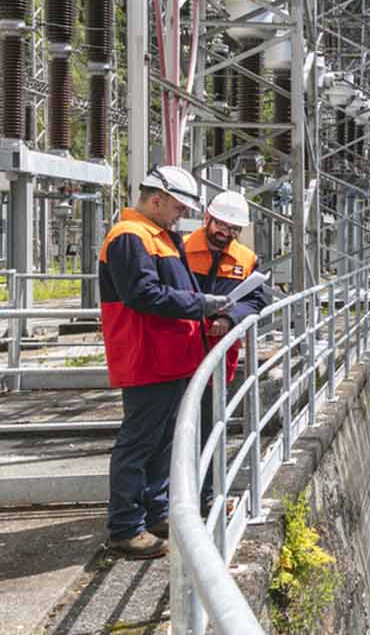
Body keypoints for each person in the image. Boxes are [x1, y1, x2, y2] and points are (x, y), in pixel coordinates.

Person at [99, 166, 230, 560]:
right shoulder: (130, 236)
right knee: (139, 442)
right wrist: (199, 304)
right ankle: (125, 527)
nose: (180, 215)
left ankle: (155, 512)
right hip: (146, 354)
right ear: (156, 199)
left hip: (169, 355)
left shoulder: (160, 236)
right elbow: (142, 294)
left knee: (162, 440)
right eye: (176, 207)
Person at [184, 190, 268, 381]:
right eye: (221, 224)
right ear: (208, 218)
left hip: (221, 349)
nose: (225, 232)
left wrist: (229, 318)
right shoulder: (181, 250)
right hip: (182, 345)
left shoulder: (247, 259)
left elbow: (256, 301)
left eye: (234, 228)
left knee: (214, 406)